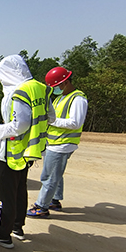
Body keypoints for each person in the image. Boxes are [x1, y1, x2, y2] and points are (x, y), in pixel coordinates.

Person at [0, 55, 56, 248]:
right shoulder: (40, 88)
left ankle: (4, 235)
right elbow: (50, 116)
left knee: (7, 194)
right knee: (20, 190)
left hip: (12, 151)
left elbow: (20, 125)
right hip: (30, 150)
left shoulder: (19, 92)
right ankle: (17, 227)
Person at [27, 67, 88, 217]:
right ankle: (54, 200)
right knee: (56, 174)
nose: (55, 90)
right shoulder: (62, 98)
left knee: (49, 176)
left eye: (57, 86)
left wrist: (52, 121)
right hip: (54, 142)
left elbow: (76, 122)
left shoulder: (78, 99)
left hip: (63, 144)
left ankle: (41, 206)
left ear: (65, 82)